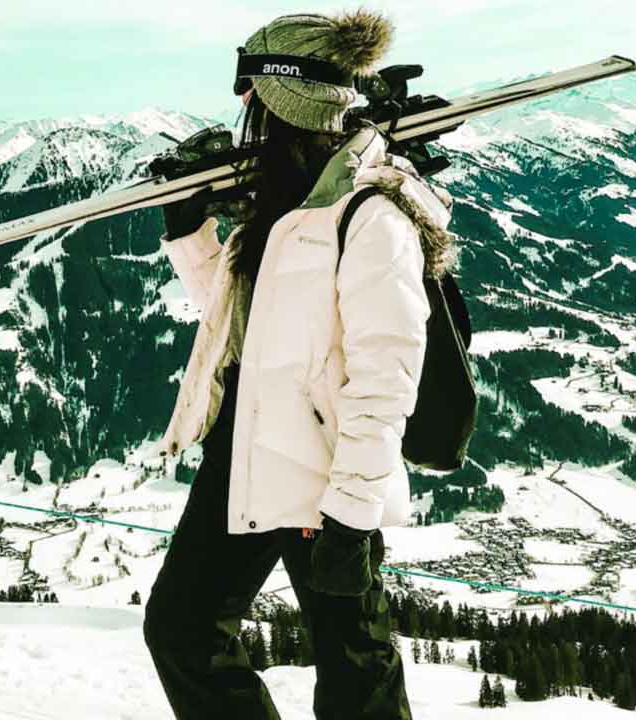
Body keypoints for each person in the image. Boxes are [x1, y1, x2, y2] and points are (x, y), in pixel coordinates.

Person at [142, 8, 457, 720]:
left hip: (324, 471)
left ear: (281, 93)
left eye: (248, 85)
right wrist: (189, 232)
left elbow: (386, 379)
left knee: (355, 673)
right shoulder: (281, 199)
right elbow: (249, 332)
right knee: (183, 629)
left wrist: (350, 517)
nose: (241, 104)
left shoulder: (371, 214)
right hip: (248, 450)